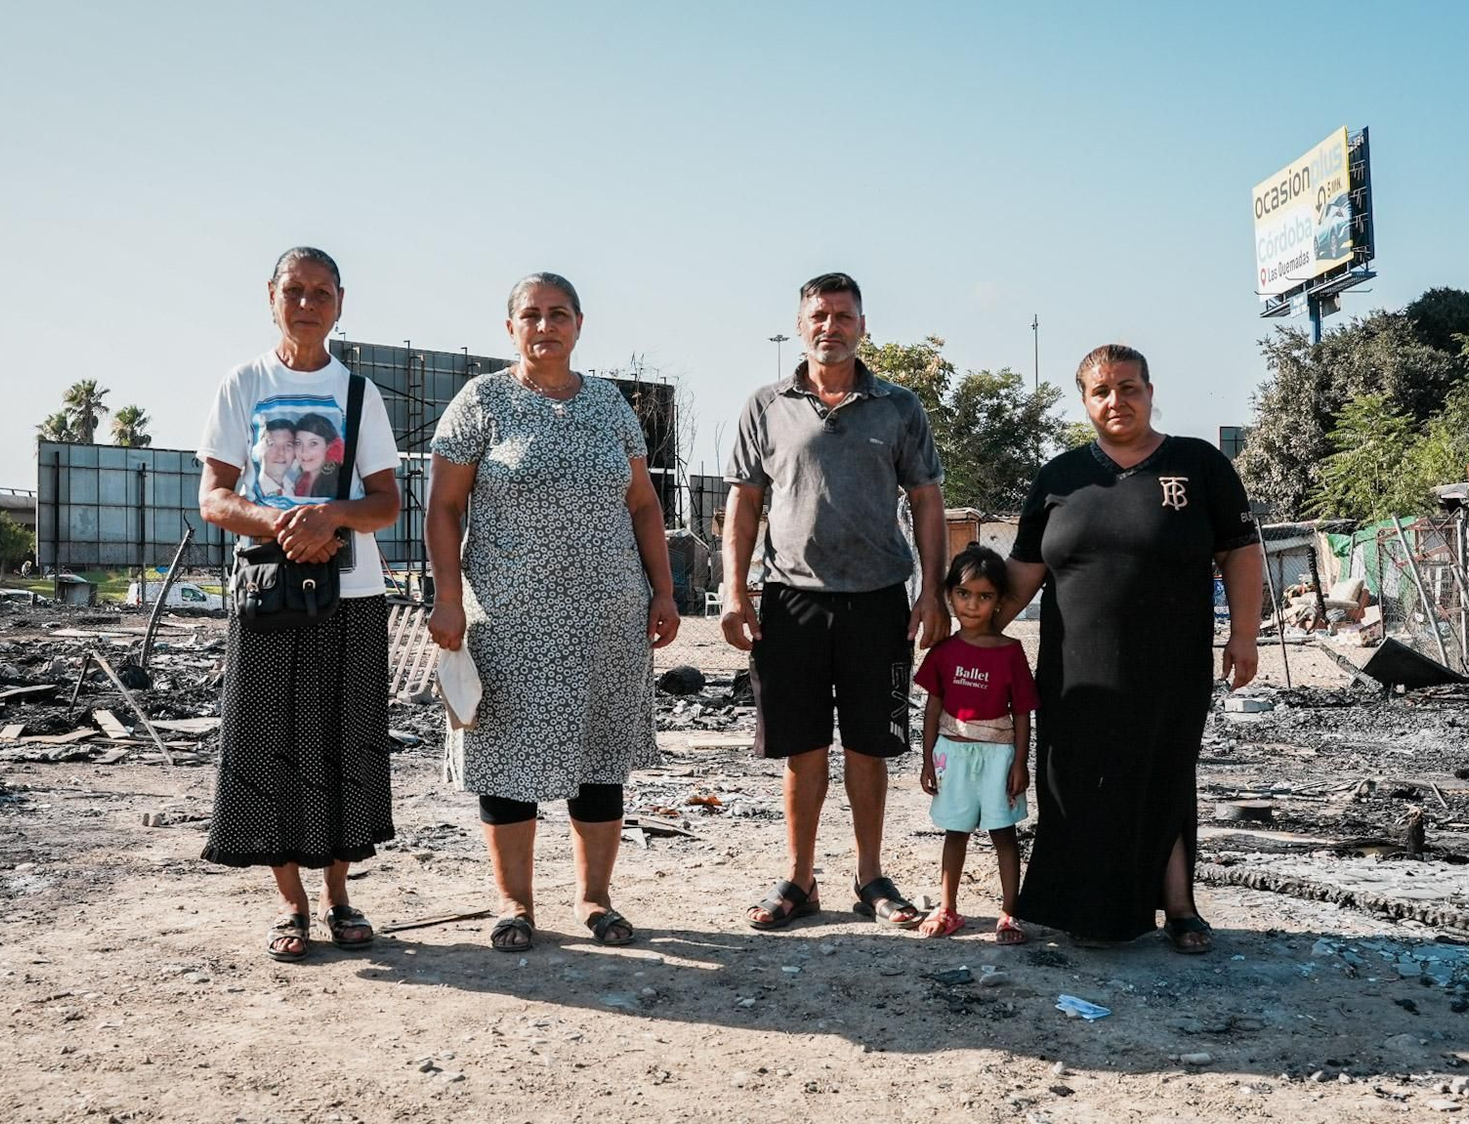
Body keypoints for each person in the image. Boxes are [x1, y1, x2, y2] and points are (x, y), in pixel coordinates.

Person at [426, 272, 680, 953]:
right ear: (510, 327)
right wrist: (447, 597)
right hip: (509, 619)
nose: (545, 326)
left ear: (579, 324)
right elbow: (444, 508)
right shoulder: (481, 402)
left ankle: (596, 900)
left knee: (600, 758)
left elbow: (644, 505)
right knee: (508, 758)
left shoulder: (610, 406)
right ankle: (514, 903)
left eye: (558, 314)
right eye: (531, 315)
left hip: (609, 616)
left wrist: (663, 589)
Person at [999, 344, 1263, 954]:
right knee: (1075, 782)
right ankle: (1087, 912)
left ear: (1149, 390)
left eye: (1129, 387)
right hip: (1074, 672)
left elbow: (1240, 553)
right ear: (1084, 400)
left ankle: (1179, 907)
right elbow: (1022, 572)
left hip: (1170, 665)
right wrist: (965, 632)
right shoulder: (1060, 477)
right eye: (1101, 391)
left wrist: (1243, 634)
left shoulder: (1198, 465)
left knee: (1162, 777)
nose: (1116, 400)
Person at [722, 272, 948, 932]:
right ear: (800, 325)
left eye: (843, 316)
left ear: (862, 326)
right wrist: (736, 589)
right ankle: (798, 878)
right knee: (804, 747)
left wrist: (931, 592)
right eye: (819, 315)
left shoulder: (899, 407)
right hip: (792, 601)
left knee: (870, 747)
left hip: (878, 601)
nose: (830, 326)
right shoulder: (767, 405)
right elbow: (744, 500)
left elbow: (927, 500)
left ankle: (871, 876)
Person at [195, 246, 402, 962]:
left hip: (351, 592)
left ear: (340, 302)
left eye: (321, 292)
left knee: (345, 742)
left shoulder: (359, 395)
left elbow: (386, 504)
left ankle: (342, 893)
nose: (307, 303)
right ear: (271, 296)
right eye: (294, 290)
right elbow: (214, 496)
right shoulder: (243, 383)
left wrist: (330, 516)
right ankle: (292, 901)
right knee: (268, 741)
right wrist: (283, 522)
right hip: (268, 589)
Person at [913, 545, 1036, 943]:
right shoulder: (943, 652)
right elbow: (933, 709)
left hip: (999, 756)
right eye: (964, 594)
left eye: (984, 596)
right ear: (950, 595)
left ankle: (1008, 915)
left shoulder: (1011, 652)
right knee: (956, 831)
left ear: (998, 600)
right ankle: (947, 909)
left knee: (1004, 834)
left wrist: (1020, 762)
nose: (972, 605)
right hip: (953, 753)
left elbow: (1022, 713)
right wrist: (929, 760)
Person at [253, 418, 298, 498]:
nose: (281, 452)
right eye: (272, 444)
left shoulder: (292, 486)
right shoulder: (253, 492)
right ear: (260, 449)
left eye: (288, 445)